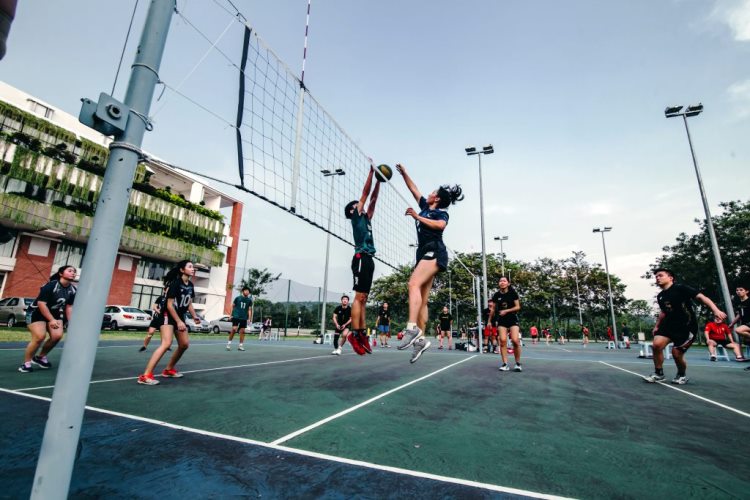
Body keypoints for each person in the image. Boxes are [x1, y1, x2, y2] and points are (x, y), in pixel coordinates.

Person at [396, 164, 463, 363]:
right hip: (422, 252)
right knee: (422, 300)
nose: (429, 193)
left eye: (433, 192)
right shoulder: (425, 206)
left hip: (435, 250)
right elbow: (413, 188)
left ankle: (411, 328)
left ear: (438, 198)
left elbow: (440, 226)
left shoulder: (441, 214)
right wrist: (405, 173)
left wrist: (417, 217)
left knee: (412, 284)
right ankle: (421, 340)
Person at [644, 268, 726, 385]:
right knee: (656, 345)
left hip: (686, 327)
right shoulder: (661, 296)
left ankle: (681, 375)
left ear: (670, 278)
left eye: (660, 275)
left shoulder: (681, 288)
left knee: (676, 353)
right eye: (656, 277)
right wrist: (657, 326)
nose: (657, 278)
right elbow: (664, 312)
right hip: (669, 325)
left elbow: (702, 298)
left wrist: (716, 310)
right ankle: (659, 374)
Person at [138, 260, 201, 385]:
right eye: (190, 267)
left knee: (184, 344)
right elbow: (169, 305)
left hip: (180, 316)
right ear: (182, 270)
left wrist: (194, 316)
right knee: (166, 343)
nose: (193, 269)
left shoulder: (190, 285)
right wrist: (178, 321)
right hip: (168, 314)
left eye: (193, 267)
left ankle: (168, 370)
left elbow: (188, 302)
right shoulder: (175, 284)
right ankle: (145, 376)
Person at [344, 165, 381, 354]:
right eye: (356, 205)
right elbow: (365, 194)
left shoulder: (367, 218)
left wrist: (379, 182)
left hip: (369, 259)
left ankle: (362, 334)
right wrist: (371, 173)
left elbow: (372, 199)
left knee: (364, 298)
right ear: (352, 211)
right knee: (358, 298)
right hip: (360, 257)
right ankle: (354, 333)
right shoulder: (356, 217)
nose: (361, 205)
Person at [18, 265, 77, 373]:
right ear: (61, 273)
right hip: (37, 312)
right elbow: (41, 304)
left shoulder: (73, 290)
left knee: (57, 336)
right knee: (40, 337)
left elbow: (69, 307)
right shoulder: (51, 285)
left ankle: (40, 357)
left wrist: (71, 323)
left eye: (74, 271)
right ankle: (26, 363)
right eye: (70, 271)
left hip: (55, 313)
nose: (73, 273)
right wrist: (51, 320)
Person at [489, 276, 523, 372]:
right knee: (502, 341)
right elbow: (492, 309)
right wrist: (489, 321)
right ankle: (505, 364)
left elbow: (517, 307)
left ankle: (517, 363)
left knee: (515, 340)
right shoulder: (496, 295)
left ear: (508, 283)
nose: (502, 282)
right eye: (500, 281)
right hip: (502, 320)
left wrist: (506, 311)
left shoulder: (513, 293)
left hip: (512, 318)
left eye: (504, 281)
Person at [139, 287, 168, 352]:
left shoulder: (170, 299)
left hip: (164, 319)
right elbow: (154, 307)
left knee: (163, 334)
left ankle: (165, 346)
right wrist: (159, 312)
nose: (168, 291)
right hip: (157, 318)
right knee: (150, 333)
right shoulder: (160, 298)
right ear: (164, 290)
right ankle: (144, 346)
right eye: (167, 289)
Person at [226, 287, 253, 351]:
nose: (247, 292)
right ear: (243, 291)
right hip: (236, 316)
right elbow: (232, 306)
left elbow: (249, 310)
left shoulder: (249, 300)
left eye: (248, 291)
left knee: (242, 331)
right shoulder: (238, 298)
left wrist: (249, 318)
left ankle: (240, 346)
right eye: (246, 290)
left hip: (243, 317)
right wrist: (231, 315)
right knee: (234, 329)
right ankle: (228, 344)